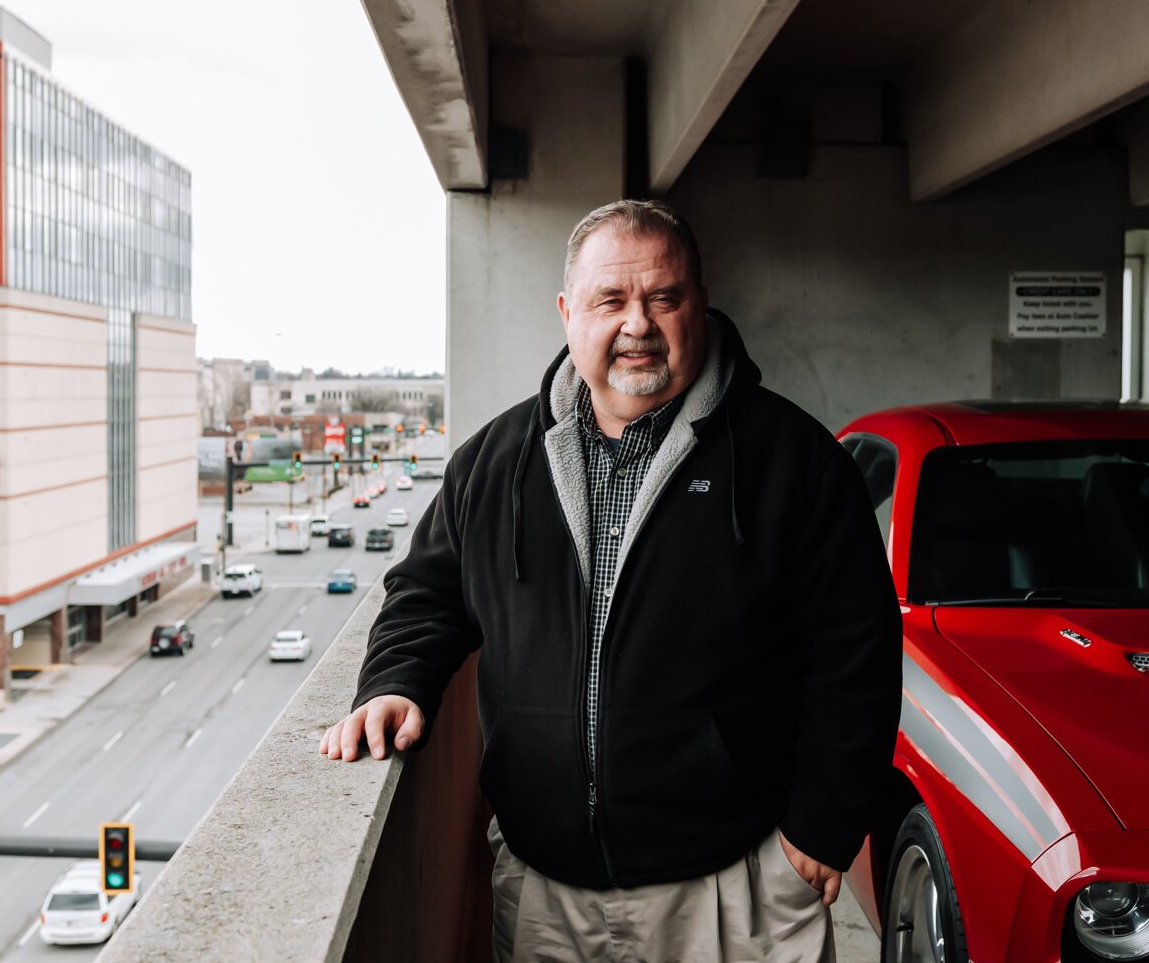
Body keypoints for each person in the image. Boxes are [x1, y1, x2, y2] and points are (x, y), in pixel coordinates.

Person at [322, 200, 901, 962]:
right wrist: (394, 682)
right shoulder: (494, 464)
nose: (638, 324)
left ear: (700, 302)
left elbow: (855, 649)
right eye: (610, 301)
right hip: (546, 893)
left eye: (664, 297)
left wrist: (823, 823)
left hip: (736, 890)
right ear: (568, 312)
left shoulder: (795, 461)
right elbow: (428, 593)